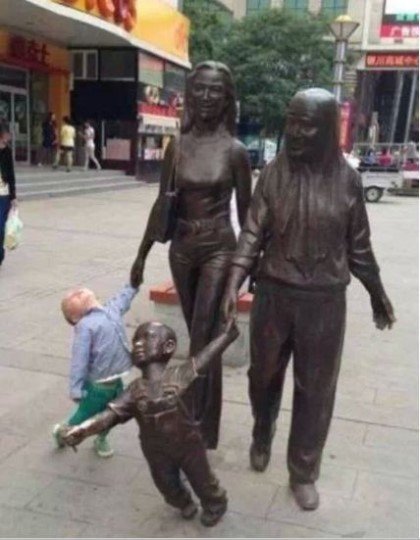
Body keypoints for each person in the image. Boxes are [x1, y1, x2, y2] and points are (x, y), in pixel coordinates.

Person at [221, 88, 395, 511]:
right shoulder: (273, 174)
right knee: (262, 377)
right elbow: (251, 233)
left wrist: (377, 294)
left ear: (328, 130)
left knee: (315, 390)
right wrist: (233, 282)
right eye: (292, 121)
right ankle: (263, 429)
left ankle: (302, 471)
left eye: (307, 125)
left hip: (324, 302)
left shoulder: (348, 181)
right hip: (274, 295)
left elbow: (359, 248)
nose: (296, 132)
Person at [130, 61, 252, 449]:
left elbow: (249, 218)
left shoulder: (235, 152)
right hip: (182, 250)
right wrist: (141, 255)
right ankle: (204, 422)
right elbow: (161, 203)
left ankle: (195, 424)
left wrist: (250, 268)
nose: (207, 97)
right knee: (204, 335)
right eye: (200, 88)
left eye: (216, 90)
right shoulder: (178, 147)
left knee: (201, 336)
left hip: (219, 248)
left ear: (227, 98)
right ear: (190, 95)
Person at [62, 319, 239, 527]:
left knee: (203, 480)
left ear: (168, 347)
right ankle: (182, 501)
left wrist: (227, 335)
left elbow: (204, 358)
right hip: (155, 450)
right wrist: (83, 430)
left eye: (148, 337)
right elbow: (109, 415)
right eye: (135, 340)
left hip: (188, 444)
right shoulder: (134, 390)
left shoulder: (178, 375)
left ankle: (216, 503)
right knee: (166, 484)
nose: (138, 344)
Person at [53, 283, 139, 457]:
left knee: (112, 416)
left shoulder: (111, 310)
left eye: (78, 291)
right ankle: (63, 432)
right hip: (97, 387)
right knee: (83, 416)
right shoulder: (85, 326)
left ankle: (101, 438)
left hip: (116, 381)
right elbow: (79, 360)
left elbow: (123, 298)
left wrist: (133, 284)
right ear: (76, 317)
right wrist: (76, 388)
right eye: (75, 297)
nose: (78, 292)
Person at [0, 122, 18, 267]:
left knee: (1, 226)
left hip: (3, 195)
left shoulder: (7, 152)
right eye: (7, 133)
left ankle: (0, 254)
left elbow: (11, 175)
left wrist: (13, 196)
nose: (9, 136)